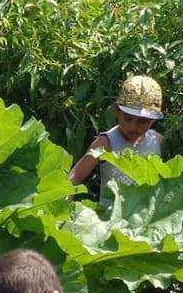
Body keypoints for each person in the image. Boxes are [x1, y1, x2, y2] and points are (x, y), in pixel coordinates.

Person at [69, 75, 167, 207]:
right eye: (128, 119)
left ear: (153, 120)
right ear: (117, 111)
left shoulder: (157, 140)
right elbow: (76, 176)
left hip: (143, 218)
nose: (133, 127)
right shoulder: (106, 142)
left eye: (142, 122)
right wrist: (60, 206)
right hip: (111, 220)